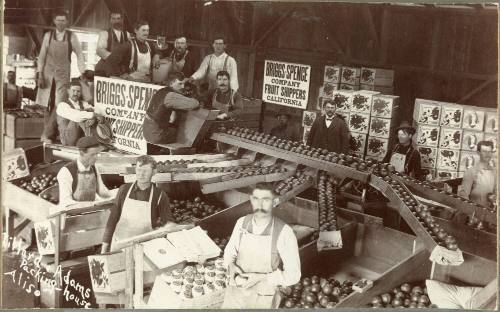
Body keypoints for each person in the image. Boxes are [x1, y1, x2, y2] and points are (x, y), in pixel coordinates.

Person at [222, 183, 301, 309]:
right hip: (236, 294)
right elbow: (229, 252)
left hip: (263, 297)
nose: (259, 205)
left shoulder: (284, 232)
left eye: (265, 200)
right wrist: (231, 265)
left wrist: (260, 277)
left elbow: (293, 275)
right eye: (256, 199)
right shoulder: (242, 223)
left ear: (274, 202)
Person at [101, 155, 194, 252]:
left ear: (154, 172)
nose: (141, 174)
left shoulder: (159, 196)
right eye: (139, 170)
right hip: (119, 245)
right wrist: (104, 248)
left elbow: (168, 222)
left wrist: (176, 228)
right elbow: (112, 219)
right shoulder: (124, 190)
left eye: (145, 171)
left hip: (144, 248)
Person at [36, 9, 86, 144]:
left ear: (67, 22)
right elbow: (41, 56)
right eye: (58, 20)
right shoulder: (48, 35)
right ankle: (48, 135)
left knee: (59, 104)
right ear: (54, 21)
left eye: (63, 21)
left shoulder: (72, 37)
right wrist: (39, 74)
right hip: (47, 74)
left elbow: (80, 55)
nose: (60, 23)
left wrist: (83, 72)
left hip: (63, 75)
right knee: (46, 105)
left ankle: (49, 135)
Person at [56, 136, 115, 212]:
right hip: (72, 215)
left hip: (91, 212)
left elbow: (102, 191)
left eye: (97, 154)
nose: (96, 157)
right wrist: (92, 204)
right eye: (92, 154)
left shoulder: (94, 168)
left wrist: (115, 197)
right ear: (81, 153)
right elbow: (66, 202)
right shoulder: (66, 171)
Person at [143, 71, 199, 144]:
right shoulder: (171, 96)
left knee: (172, 126)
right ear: (172, 83)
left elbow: (172, 118)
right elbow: (194, 104)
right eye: (180, 84)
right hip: (156, 135)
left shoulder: (162, 91)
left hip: (147, 131)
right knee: (179, 132)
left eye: (184, 84)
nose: (183, 87)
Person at [56, 79, 98, 146]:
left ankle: (96, 138)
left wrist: (94, 116)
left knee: (89, 111)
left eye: (78, 91)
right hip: (67, 139)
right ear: (68, 91)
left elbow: (96, 111)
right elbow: (76, 117)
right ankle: (92, 137)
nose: (76, 93)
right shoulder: (62, 105)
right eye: (73, 91)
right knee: (78, 117)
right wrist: (93, 115)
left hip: (81, 137)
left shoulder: (84, 103)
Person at [458, 140, 497, 206]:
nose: (487, 154)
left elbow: (496, 191)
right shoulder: (470, 172)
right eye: (484, 151)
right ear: (478, 153)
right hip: (475, 212)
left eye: (489, 151)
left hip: (490, 212)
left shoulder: (495, 171)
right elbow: (463, 196)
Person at [94, 11, 131, 76]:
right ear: (110, 20)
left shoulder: (127, 35)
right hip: (106, 68)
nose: (116, 21)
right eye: (113, 19)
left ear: (121, 20)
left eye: (118, 19)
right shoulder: (104, 33)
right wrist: (114, 58)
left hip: (121, 69)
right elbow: (100, 50)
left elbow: (130, 52)